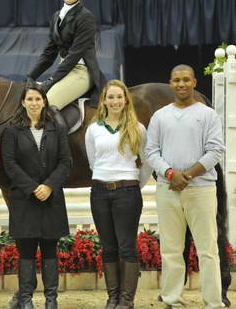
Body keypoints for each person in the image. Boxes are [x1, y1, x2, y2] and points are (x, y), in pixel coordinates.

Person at [145, 65, 225, 309]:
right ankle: (172, 299)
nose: (181, 84)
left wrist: (186, 176)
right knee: (170, 248)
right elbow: (151, 152)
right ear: (170, 83)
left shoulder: (208, 114)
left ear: (194, 82)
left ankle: (213, 302)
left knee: (208, 249)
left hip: (200, 189)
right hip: (168, 189)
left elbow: (215, 150)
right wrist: (170, 174)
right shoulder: (160, 116)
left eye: (186, 80)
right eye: (176, 80)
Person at [1, 83, 72, 309]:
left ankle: (51, 300)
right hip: (24, 199)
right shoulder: (12, 131)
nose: (34, 103)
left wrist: (49, 185)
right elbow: (9, 164)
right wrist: (32, 187)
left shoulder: (56, 128)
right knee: (26, 251)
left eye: (38, 99)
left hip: (51, 198)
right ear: (23, 102)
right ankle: (26, 300)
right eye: (29, 99)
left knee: (50, 250)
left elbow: (65, 161)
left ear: (44, 102)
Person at [85, 79, 153, 309]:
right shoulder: (94, 129)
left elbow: (147, 162)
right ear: (104, 100)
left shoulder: (137, 128)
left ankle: (127, 299)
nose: (115, 101)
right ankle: (112, 297)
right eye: (110, 97)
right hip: (100, 192)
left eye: (119, 97)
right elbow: (93, 161)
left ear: (126, 100)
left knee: (127, 246)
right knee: (108, 246)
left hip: (127, 192)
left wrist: (134, 184)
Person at [27, 0, 107, 127]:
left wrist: (50, 80)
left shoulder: (86, 17)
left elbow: (74, 55)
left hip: (82, 72)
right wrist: (31, 76)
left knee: (45, 105)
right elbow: (49, 53)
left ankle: (61, 150)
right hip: (66, 71)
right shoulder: (57, 16)